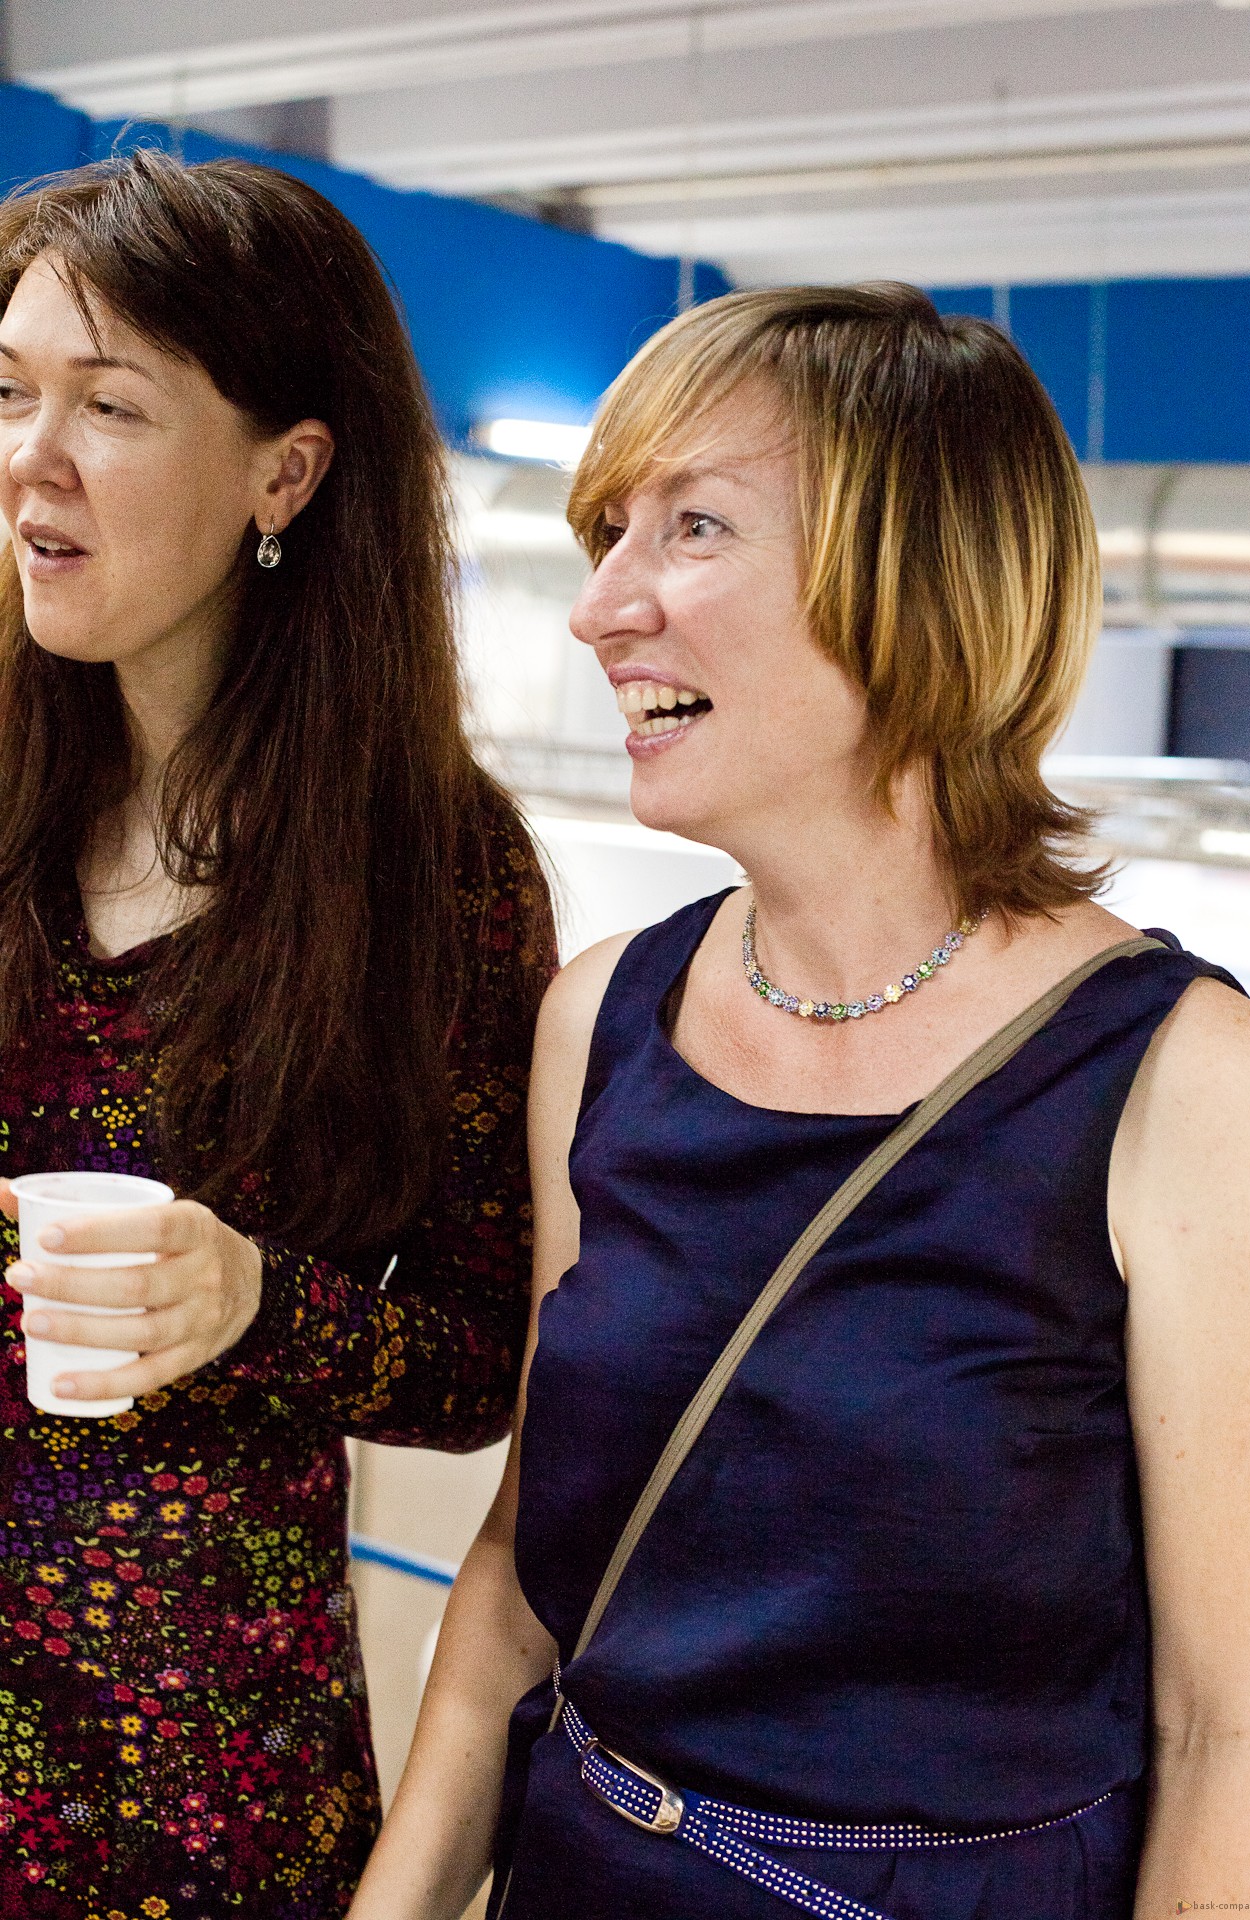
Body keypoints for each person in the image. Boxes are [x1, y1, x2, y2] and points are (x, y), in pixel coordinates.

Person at [352, 282, 1250, 1920]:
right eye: (608, 534)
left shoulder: (1184, 1084)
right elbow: (522, 1572)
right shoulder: (603, 1020)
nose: (602, 608)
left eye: (693, 526)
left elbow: (1234, 1738)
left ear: (914, 586)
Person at [0, 149, 554, 1918]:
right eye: (10, 391)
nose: (33, 458)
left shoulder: (432, 870)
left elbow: (482, 1362)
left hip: (195, 1794)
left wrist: (256, 1303)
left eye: (110, 406)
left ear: (285, 473)